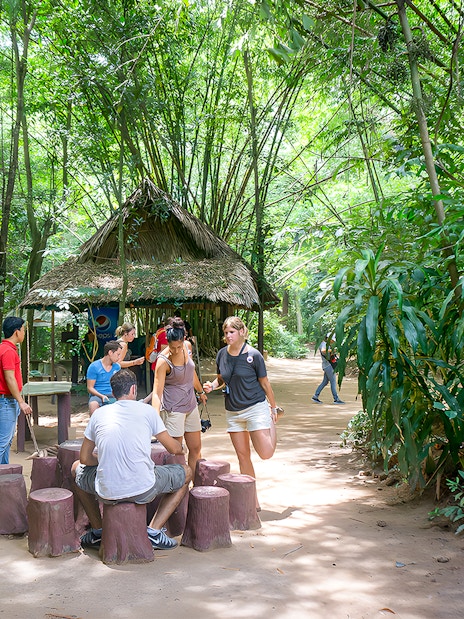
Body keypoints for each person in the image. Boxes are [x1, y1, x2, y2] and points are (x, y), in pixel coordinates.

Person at [72, 369, 191, 550]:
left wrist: (103, 460)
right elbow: (173, 449)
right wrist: (182, 447)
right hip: (144, 489)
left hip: (106, 492)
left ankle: (98, 530)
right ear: (134, 389)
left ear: (113, 392)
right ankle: (154, 531)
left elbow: (84, 458)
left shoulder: (98, 414)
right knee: (187, 473)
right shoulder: (148, 411)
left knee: (75, 468)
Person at [202, 316, 281, 509]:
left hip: (256, 408)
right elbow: (221, 378)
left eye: (232, 332)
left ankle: (271, 421)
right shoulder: (222, 354)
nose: (228, 336)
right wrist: (211, 385)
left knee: (266, 453)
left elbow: (265, 383)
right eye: (226, 333)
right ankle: (252, 500)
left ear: (241, 332)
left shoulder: (254, 355)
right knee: (243, 456)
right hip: (233, 412)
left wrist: (273, 407)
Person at [152, 317, 206, 474]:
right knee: (176, 452)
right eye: (171, 347)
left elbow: (191, 372)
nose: (175, 350)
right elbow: (157, 392)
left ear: (184, 339)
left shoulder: (187, 347)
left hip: (191, 405)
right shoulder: (163, 361)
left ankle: (196, 488)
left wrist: (200, 391)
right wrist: (155, 417)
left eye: (178, 346)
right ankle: (180, 490)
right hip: (173, 409)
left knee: (196, 448)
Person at [0, 317, 33, 464]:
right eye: (23, 330)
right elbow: (10, 378)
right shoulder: (7, 351)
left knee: (6, 443)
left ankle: (5, 475)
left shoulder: (5, 348)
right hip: (6, 401)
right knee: (2, 443)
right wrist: (21, 402)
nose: (24, 333)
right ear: (16, 332)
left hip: (7, 401)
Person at [86, 340, 123, 415]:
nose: (119, 358)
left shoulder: (117, 367)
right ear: (110, 353)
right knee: (93, 405)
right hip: (97, 396)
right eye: (118, 354)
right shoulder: (94, 366)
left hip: (114, 395)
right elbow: (90, 388)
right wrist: (102, 396)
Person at [311, 334, 344, 404]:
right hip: (328, 366)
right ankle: (336, 399)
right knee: (333, 382)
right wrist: (332, 350)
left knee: (325, 382)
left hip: (327, 366)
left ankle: (315, 396)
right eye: (332, 340)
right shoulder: (324, 344)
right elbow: (323, 350)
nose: (333, 341)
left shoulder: (326, 344)